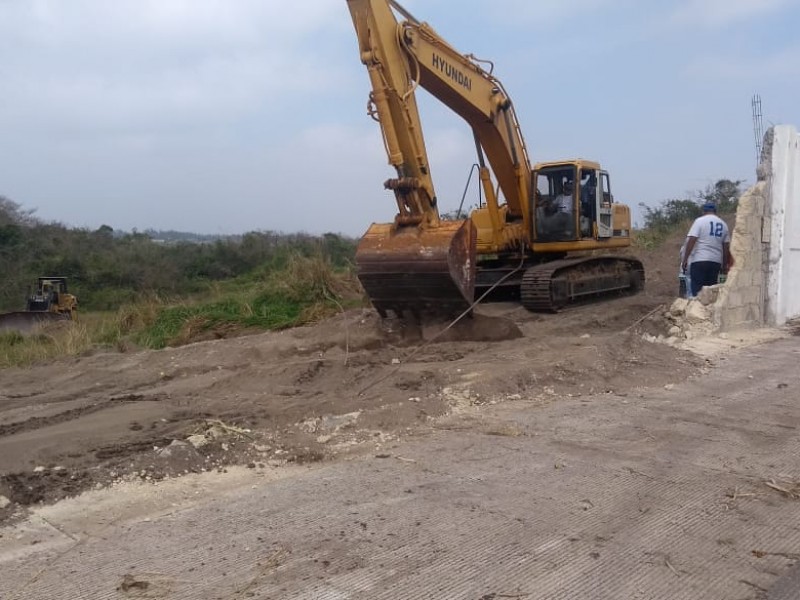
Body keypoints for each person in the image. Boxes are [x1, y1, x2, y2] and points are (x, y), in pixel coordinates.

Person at [681, 202, 733, 297]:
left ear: (703, 211)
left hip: (700, 260)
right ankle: (707, 310)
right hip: (715, 262)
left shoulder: (700, 221)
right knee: (710, 292)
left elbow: (692, 240)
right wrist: (724, 265)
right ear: (715, 211)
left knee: (697, 292)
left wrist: (685, 259)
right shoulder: (723, 225)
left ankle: (697, 310)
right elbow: (726, 247)